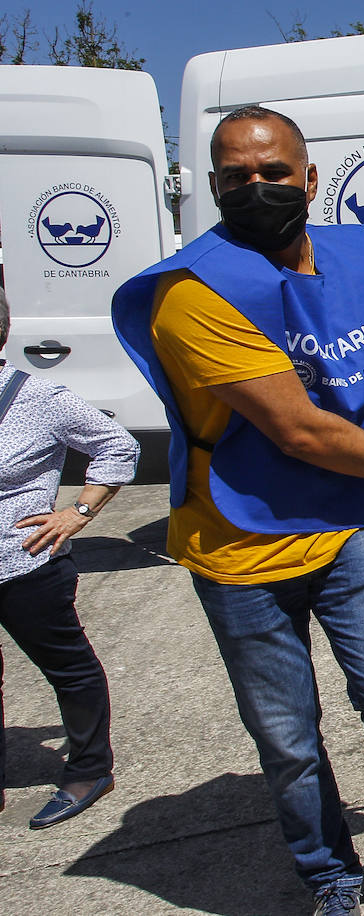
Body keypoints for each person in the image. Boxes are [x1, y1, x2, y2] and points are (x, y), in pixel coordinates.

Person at [112, 106, 364, 915]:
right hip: (240, 539)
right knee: (287, 737)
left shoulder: (357, 254)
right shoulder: (193, 294)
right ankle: (328, 872)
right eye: (235, 178)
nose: (257, 188)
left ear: (311, 179)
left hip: (345, 522)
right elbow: (301, 429)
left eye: (274, 173)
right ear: (212, 186)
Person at [0, 287, 139, 828]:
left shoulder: (39, 399)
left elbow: (118, 446)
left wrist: (77, 511)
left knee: (68, 668)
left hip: (24, 563)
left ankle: (89, 768)